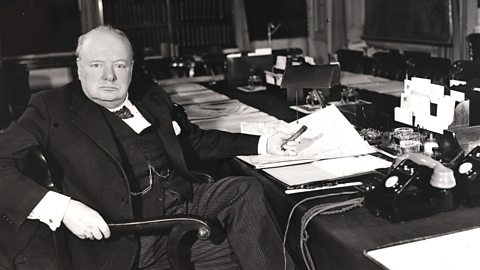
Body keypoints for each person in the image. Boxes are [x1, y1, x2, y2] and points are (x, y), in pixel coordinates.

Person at [0, 25, 299, 269]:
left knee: (247, 190)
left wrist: (265, 143)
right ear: (79, 68)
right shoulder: (52, 108)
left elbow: (194, 141)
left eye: (119, 65)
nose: (109, 76)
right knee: (252, 251)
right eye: (96, 65)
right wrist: (63, 209)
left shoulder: (149, 97)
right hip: (127, 238)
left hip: (181, 208)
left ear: (131, 68)